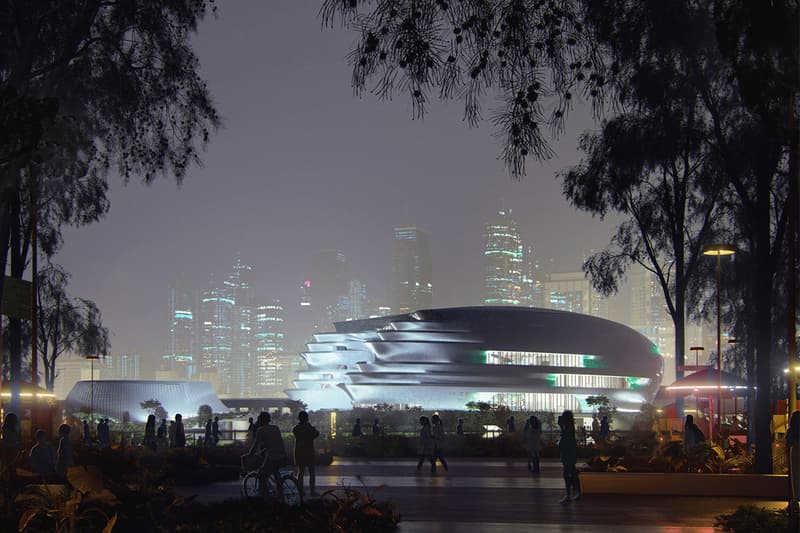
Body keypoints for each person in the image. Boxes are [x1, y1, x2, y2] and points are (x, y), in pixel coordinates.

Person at [248, 412, 287, 498]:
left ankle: (265, 498)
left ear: (261, 420)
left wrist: (250, 455)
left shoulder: (261, 430)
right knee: (275, 471)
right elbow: (279, 442)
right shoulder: (275, 428)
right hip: (281, 455)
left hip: (271, 457)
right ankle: (280, 492)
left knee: (262, 477)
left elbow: (255, 445)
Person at [293, 411, 320, 497]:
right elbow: (316, 433)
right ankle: (312, 491)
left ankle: (301, 491)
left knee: (301, 472)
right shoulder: (309, 428)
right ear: (307, 418)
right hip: (309, 452)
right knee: (311, 472)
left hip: (300, 452)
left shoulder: (296, 428)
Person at [558, 410, 581, 504]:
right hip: (568, 454)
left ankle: (570, 494)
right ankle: (575, 492)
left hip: (567, 454)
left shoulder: (568, 430)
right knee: (571, 472)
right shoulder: (569, 428)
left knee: (568, 473)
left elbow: (565, 441)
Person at [787, 411, 800, 510]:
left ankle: (796, 499)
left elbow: (788, 442)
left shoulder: (791, 431)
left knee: (795, 475)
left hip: (795, 451)